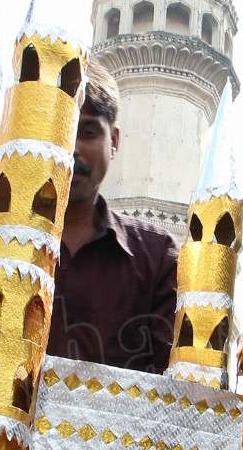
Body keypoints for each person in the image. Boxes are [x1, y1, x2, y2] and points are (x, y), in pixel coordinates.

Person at [48, 63, 177, 372]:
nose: (71, 150)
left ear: (114, 141)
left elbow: (169, 381)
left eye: (88, 133)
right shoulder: (1, 242)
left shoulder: (155, 256)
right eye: (57, 130)